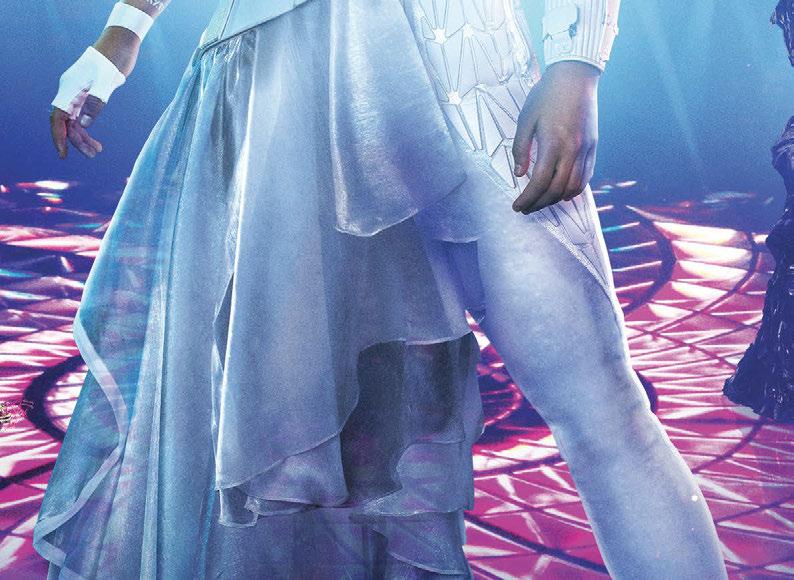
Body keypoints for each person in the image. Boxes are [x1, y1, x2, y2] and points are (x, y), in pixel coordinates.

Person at [34, 1, 730, 578]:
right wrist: (120, 36)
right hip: (273, 76)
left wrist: (577, 61)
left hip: (466, 61)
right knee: (296, 466)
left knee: (603, 406)